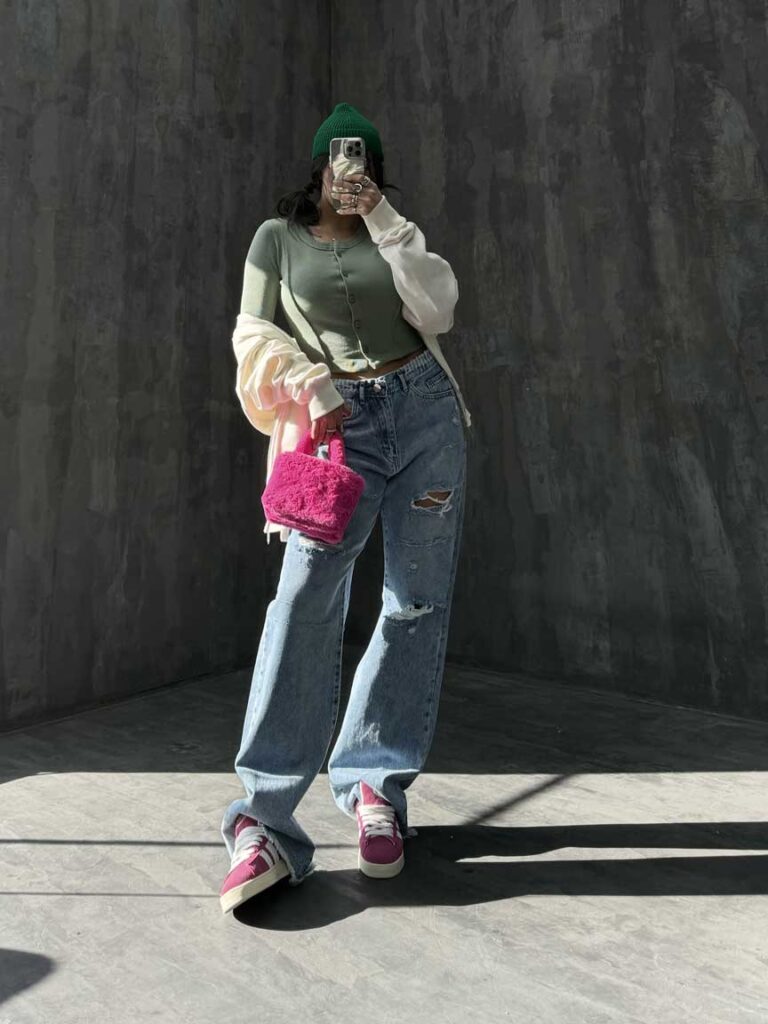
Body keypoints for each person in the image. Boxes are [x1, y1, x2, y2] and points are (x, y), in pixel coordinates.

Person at [219, 103, 473, 915]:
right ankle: (264, 822)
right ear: (318, 165)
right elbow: (251, 330)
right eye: (337, 157)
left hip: (426, 417)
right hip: (338, 429)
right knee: (302, 602)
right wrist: (309, 382)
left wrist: (385, 220)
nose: (348, 169)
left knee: (415, 602)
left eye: (360, 159)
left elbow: (437, 311)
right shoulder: (277, 238)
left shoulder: (393, 234)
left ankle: (375, 786)